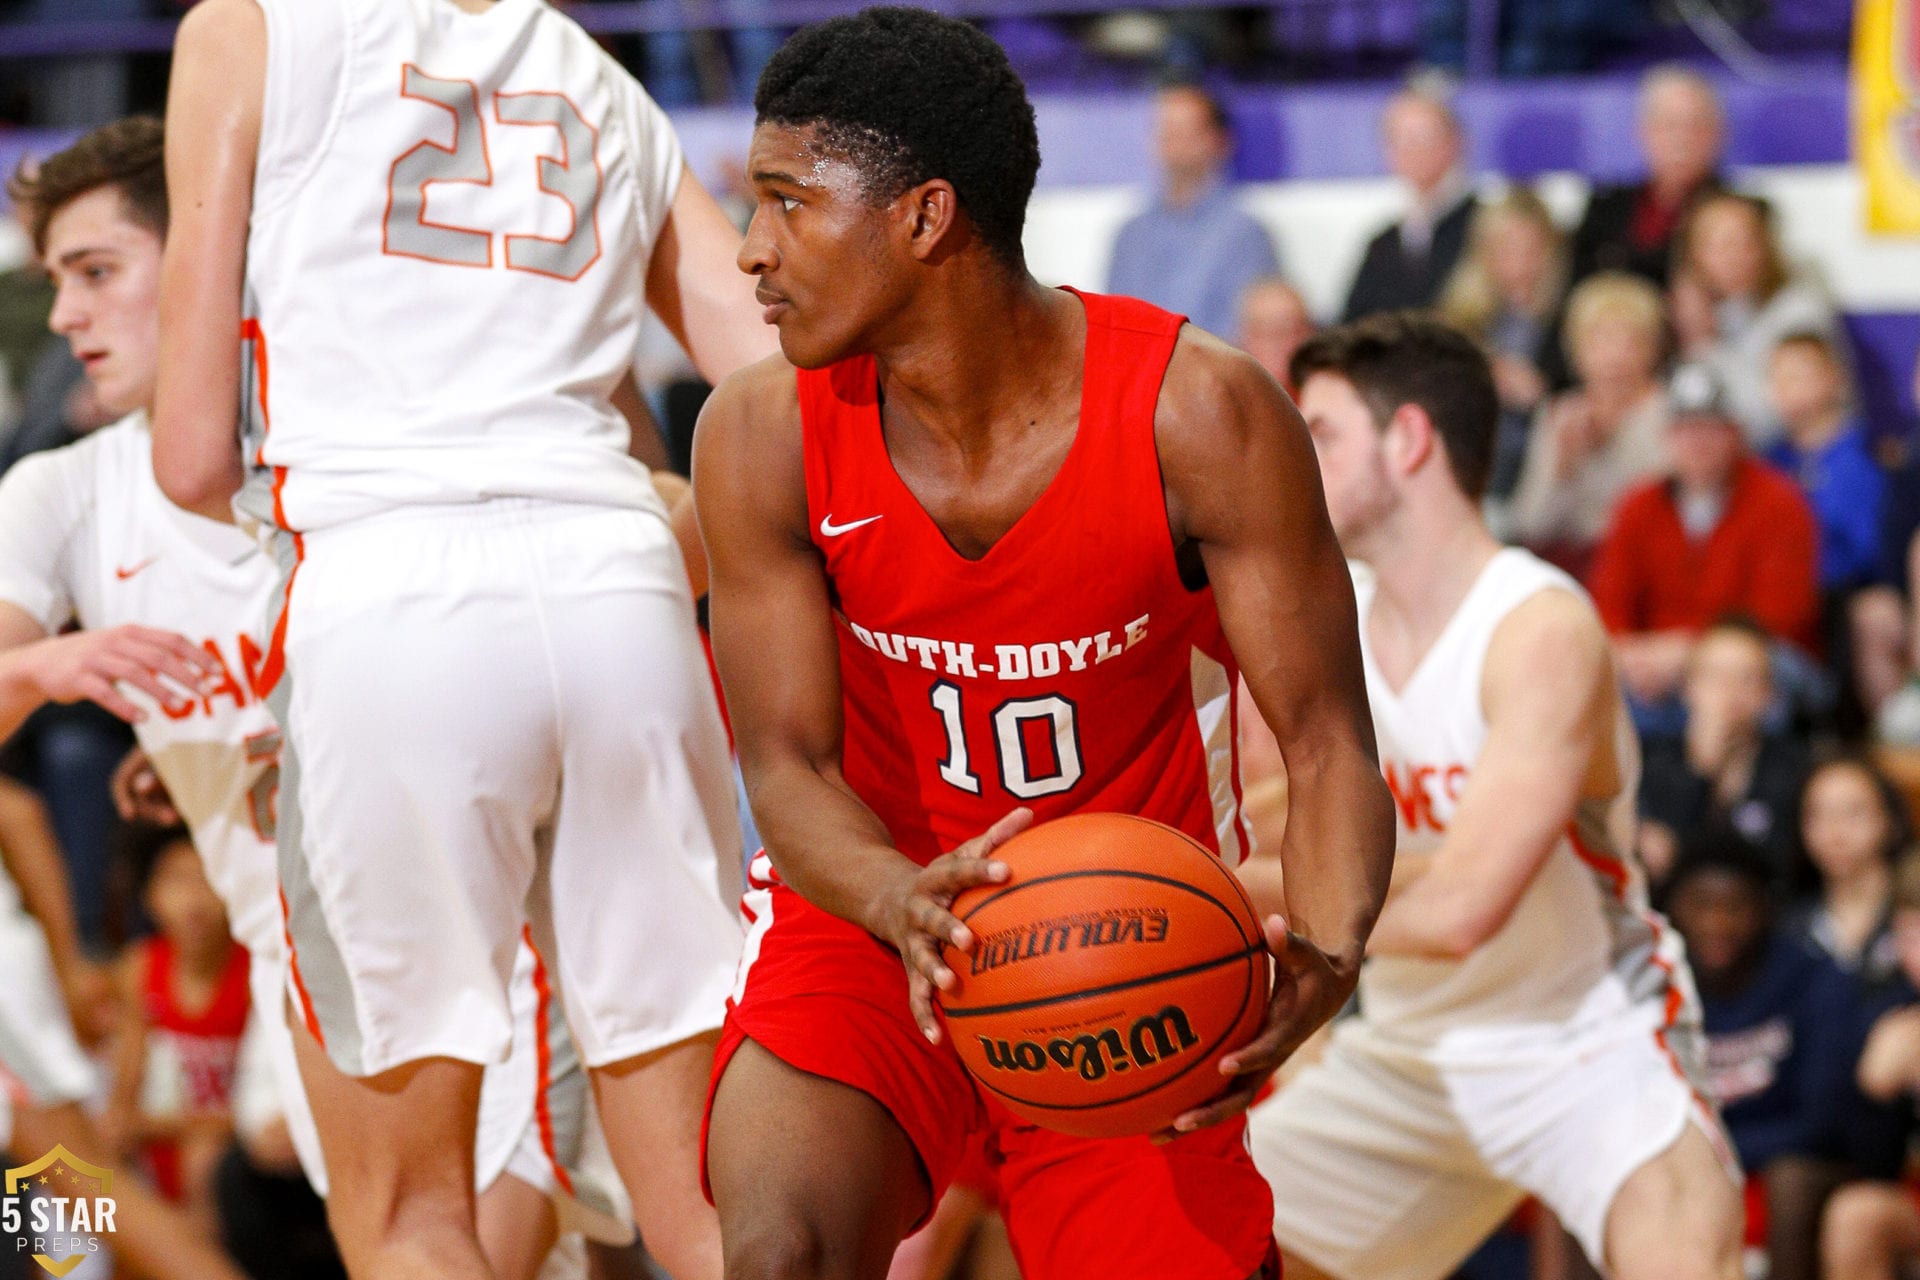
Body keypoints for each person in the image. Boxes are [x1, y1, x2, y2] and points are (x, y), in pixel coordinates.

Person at [695, 10, 1395, 1280]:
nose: (750, 252)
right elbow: (786, 766)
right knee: (776, 1250)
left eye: (787, 205)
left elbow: (1331, 739)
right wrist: (894, 895)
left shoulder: (1201, 414)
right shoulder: (760, 433)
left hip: (1124, 948)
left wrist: (1332, 949)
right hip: (867, 913)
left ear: (923, 216)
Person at [154, 0, 778, 1274]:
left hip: (388, 600)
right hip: (624, 598)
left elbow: (189, 452)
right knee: (709, 1207)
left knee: (411, 1216)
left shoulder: (249, 31)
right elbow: (783, 392)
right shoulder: (599, 75)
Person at [4, 115, 643, 1279]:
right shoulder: (61, 493)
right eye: (54, 281)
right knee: (90, 1167)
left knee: (63, 1154)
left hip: (490, 950)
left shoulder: (365, 437)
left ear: (202, 265)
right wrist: (42, 669)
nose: (63, 317)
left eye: (96, 273)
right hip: (303, 984)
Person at [1243, 312, 1743, 1280]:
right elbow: (1267, 812)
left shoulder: (1538, 625)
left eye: (1323, 431)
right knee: (1204, 1248)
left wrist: (1226, 888)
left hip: (1589, 1038)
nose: (1295, 456)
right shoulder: (1322, 613)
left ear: (1411, 439)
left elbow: (1463, 906)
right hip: (1410, 1046)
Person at [1664, 829, 1858, 1280]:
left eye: (1734, 907)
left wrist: (1718, 1152)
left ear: (1765, 908)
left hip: (1789, 1158)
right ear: (1675, 908)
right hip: (1691, 1151)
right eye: (1701, 905)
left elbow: (1823, 1120)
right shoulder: (1657, 983)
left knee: (1791, 1181)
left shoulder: (1816, 978)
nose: (1717, 923)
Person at [1587, 362, 1821, 722]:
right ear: (1667, 438)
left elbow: (1781, 615)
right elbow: (1609, 602)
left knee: (1748, 684)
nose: (1697, 442)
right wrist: (1632, 656)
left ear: (1735, 434)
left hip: (1753, 655)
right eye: (1685, 429)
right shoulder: (1637, 506)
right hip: (1650, 663)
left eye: (1709, 428)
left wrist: (1692, 652)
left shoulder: (1780, 501)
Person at [102, 824, 251, 1228]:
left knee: (202, 1157)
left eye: (208, 880)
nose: (194, 900)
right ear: (149, 897)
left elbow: (261, 1111)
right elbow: (125, 1088)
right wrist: (117, 1129)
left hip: (224, 1154)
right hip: (154, 1145)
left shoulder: (255, 972)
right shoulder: (140, 967)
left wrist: (154, 1125)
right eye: (177, 881)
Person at [1503, 271, 1670, 575]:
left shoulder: (1670, 414)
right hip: (1572, 569)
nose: (1614, 357)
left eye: (1629, 342)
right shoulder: (1560, 414)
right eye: (1600, 341)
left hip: (1647, 569)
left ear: (1652, 348)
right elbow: (1528, 524)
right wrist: (1564, 467)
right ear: (1576, 350)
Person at [1637, 617, 1809, 889]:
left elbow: (1784, 867)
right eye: (1716, 675)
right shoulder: (1649, 761)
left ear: (1769, 693)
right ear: (1687, 687)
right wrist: (1700, 769)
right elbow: (1662, 860)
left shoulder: (1795, 767)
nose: (1731, 690)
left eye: (1747, 677)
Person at [1105, 81, 1282, 340]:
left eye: (1186, 132)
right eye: (1166, 131)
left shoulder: (1246, 234)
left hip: (1212, 374)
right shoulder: (1130, 234)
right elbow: (1112, 327)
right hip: (1137, 374)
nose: (1174, 143)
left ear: (1220, 140)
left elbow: (1250, 339)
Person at [1673, 192, 1849, 446]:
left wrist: (1705, 344)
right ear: (1694, 255)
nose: (1731, 256)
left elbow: (1774, 419)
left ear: (1765, 248)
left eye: (1742, 241)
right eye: (1716, 245)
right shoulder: (1704, 311)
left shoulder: (1800, 310)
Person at [1820, 853, 1920, 1280]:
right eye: (1910, 932)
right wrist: (1873, 1093)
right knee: (1855, 1216)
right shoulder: (1892, 1016)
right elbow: (1871, 1164)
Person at [1436, 186, 1571, 496]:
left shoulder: (1564, 317)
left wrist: (1540, 394)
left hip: (1541, 465)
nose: (1520, 260)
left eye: (1532, 248)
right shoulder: (1459, 318)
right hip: (1475, 456)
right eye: (1507, 247)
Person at [1569, 66, 1726, 289]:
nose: (1682, 140)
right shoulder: (1605, 209)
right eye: (1670, 125)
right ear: (1645, 132)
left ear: (1717, 134)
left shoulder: (1743, 216)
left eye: (1694, 126)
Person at [1340, 82, 1476, 322]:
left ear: (1456, 140)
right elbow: (1353, 322)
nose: (1413, 150)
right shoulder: (1383, 243)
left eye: (1424, 136)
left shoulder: (1484, 228)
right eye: (1400, 139)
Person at [1764, 331, 1887, 597]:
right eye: (1777, 377)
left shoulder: (1867, 456)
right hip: (1775, 597)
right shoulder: (1768, 460)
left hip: (1844, 596)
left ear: (1835, 378)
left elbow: (1871, 550)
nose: (1786, 387)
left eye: (1797, 376)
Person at [1788, 756, 1905, 985]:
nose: (1835, 832)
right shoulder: (1788, 928)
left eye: (1854, 812)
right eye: (1818, 814)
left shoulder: (1910, 913)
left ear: (1890, 820)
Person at [1235, 276, 1315, 394]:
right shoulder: (1231, 397)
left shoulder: (1321, 397)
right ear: (1244, 338)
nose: (1279, 345)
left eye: (1291, 331)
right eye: (1268, 332)